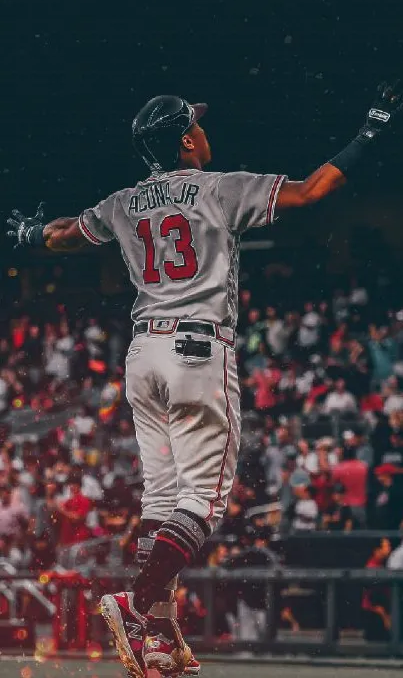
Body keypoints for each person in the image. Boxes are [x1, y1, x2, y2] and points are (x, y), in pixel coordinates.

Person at [6, 84, 403, 678]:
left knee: (162, 499)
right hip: (197, 348)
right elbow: (316, 191)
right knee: (203, 501)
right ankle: (139, 607)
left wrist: (28, 236)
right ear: (187, 138)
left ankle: (161, 638)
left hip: (142, 353)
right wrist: (369, 132)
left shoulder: (124, 201)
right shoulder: (219, 187)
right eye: (197, 124)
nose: (204, 131)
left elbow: (65, 233)